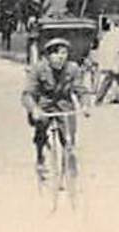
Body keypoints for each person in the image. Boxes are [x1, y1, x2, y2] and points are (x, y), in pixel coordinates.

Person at [21, 38, 84, 181]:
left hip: (64, 103)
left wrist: (85, 105)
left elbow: (81, 90)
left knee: (69, 137)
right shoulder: (38, 69)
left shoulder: (73, 69)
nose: (60, 57)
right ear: (48, 56)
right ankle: (40, 155)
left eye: (63, 53)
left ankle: (67, 167)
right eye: (55, 54)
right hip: (44, 103)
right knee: (41, 127)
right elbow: (27, 94)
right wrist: (34, 109)